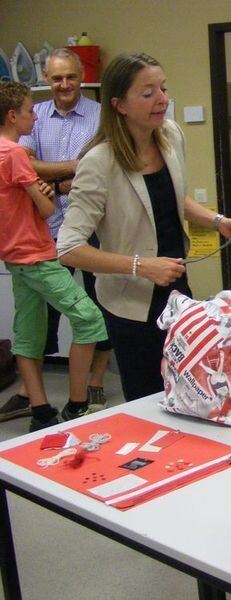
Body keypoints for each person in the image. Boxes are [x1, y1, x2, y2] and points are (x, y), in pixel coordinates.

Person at [57, 52, 231, 402]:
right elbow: (69, 248)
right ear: (119, 104)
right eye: (148, 92)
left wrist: (219, 222)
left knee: (188, 388)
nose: (162, 99)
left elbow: (171, 198)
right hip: (130, 302)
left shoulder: (169, 135)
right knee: (148, 398)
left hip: (175, 289)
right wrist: (142, 266)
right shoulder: (98, 163)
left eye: (163, 88)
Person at [0, 49, 113, 424]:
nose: (64, 85)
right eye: (56, 78)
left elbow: (105, 166)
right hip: (42, 235)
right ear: (46, 79)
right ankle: (44, 399)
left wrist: (54, 178)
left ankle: (90, 383)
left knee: (101, 300)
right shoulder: (31, 123)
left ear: (81, 77)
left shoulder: (100, 116)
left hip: (89, 226)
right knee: (51, 319)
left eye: (70, 77)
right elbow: (27, 166)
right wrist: (75, 170)